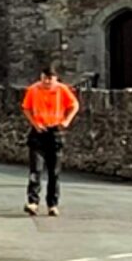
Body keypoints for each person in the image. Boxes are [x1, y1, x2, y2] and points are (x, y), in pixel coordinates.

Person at [20, 64, 80, 216]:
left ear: (55, 79)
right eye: (44, 79)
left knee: (54, 172)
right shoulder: (33, 90)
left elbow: (74, 105)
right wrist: (34, 123)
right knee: (36, 170)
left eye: (50, 79)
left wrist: (67, 121)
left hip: (55, 131)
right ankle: (33, 202)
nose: (47, 82)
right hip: (39, 131)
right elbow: (26, 108)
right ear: (40, 77)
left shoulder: (62, 89)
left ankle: (52, 204)